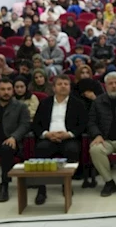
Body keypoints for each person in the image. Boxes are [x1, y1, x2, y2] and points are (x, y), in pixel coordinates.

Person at [31, 75, 89, 205]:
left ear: (70, 87)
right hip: (49, 138)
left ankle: (66, 185)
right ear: (53, 88)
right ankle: (41, 189)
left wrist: (68, 134)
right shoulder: (45, 103)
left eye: (66, 84)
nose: (63, 86)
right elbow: (36, 124)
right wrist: (47, 134)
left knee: (72, 150)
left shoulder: (78, 103)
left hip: (68, 138)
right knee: (41, 149)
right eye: (60, 84)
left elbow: (83, 124)